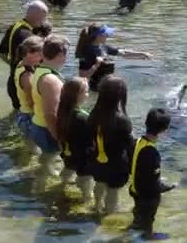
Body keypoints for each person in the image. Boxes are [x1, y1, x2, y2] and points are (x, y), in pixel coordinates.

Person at [89, 76, 135, 213]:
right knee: (113, 191)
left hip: (96, 160)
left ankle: (97, 206)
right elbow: (128, 146)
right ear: (120, 96)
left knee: (99, 183)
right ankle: (110, 213)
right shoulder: (122, 120)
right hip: (116, 164)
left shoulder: (93, 114)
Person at [129, 108, 176, 239]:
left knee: (139, 210)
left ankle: (136, 224)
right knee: (149, 217)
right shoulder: (152, 153)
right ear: (164, 130)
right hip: (147, 195)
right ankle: (148, 235)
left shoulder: (137, 142)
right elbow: (154, 184)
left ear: (146, 123)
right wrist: (168, 187)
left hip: (134, 188)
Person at [28, 34, 70, 176]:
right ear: (60, 55)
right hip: (46, 129)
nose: (66, 58)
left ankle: (41, 177)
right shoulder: (50, 80)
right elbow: (50, 114)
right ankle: (41, 189)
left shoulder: (39, 70)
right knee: (49, 162)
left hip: (38, 124)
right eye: (65, 54)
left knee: (47, 159)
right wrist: (58, 136)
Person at [0, 0, 48, 110]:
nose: (44, 21)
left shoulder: (15, 26)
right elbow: (37, 63)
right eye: (43, 17)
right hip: (23, 86)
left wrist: (15, 67)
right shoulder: (27, 36)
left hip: (13, 82)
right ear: (35, 15)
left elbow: (0, 53)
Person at [76, 23, 152, 91]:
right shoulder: (86, 52)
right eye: (106, 34)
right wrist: (96, 64)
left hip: (106, 86)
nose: (108, 36)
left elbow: (123, 53)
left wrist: (142, 54)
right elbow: (83, 76)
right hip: (94, 89)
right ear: (98, 36)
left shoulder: (103, 47)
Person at [57, 77, 95, 202]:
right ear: (76, 96)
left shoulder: (62, 111)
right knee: (86, 185)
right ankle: (87, 202)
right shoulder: (82, 118)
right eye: (85, 92)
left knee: (67, 172)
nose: (88, 94)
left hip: (68, 154)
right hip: (83, 159)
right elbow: (92, 138)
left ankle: (61, 188)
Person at [14, 36, 44, 138]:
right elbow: (31, 102)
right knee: (33, 151)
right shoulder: (27, 76)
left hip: (22, 113)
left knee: (29, 150)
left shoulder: (20, 65)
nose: (42, 58)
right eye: (39, 55)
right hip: (29, 118)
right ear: (28, 53)